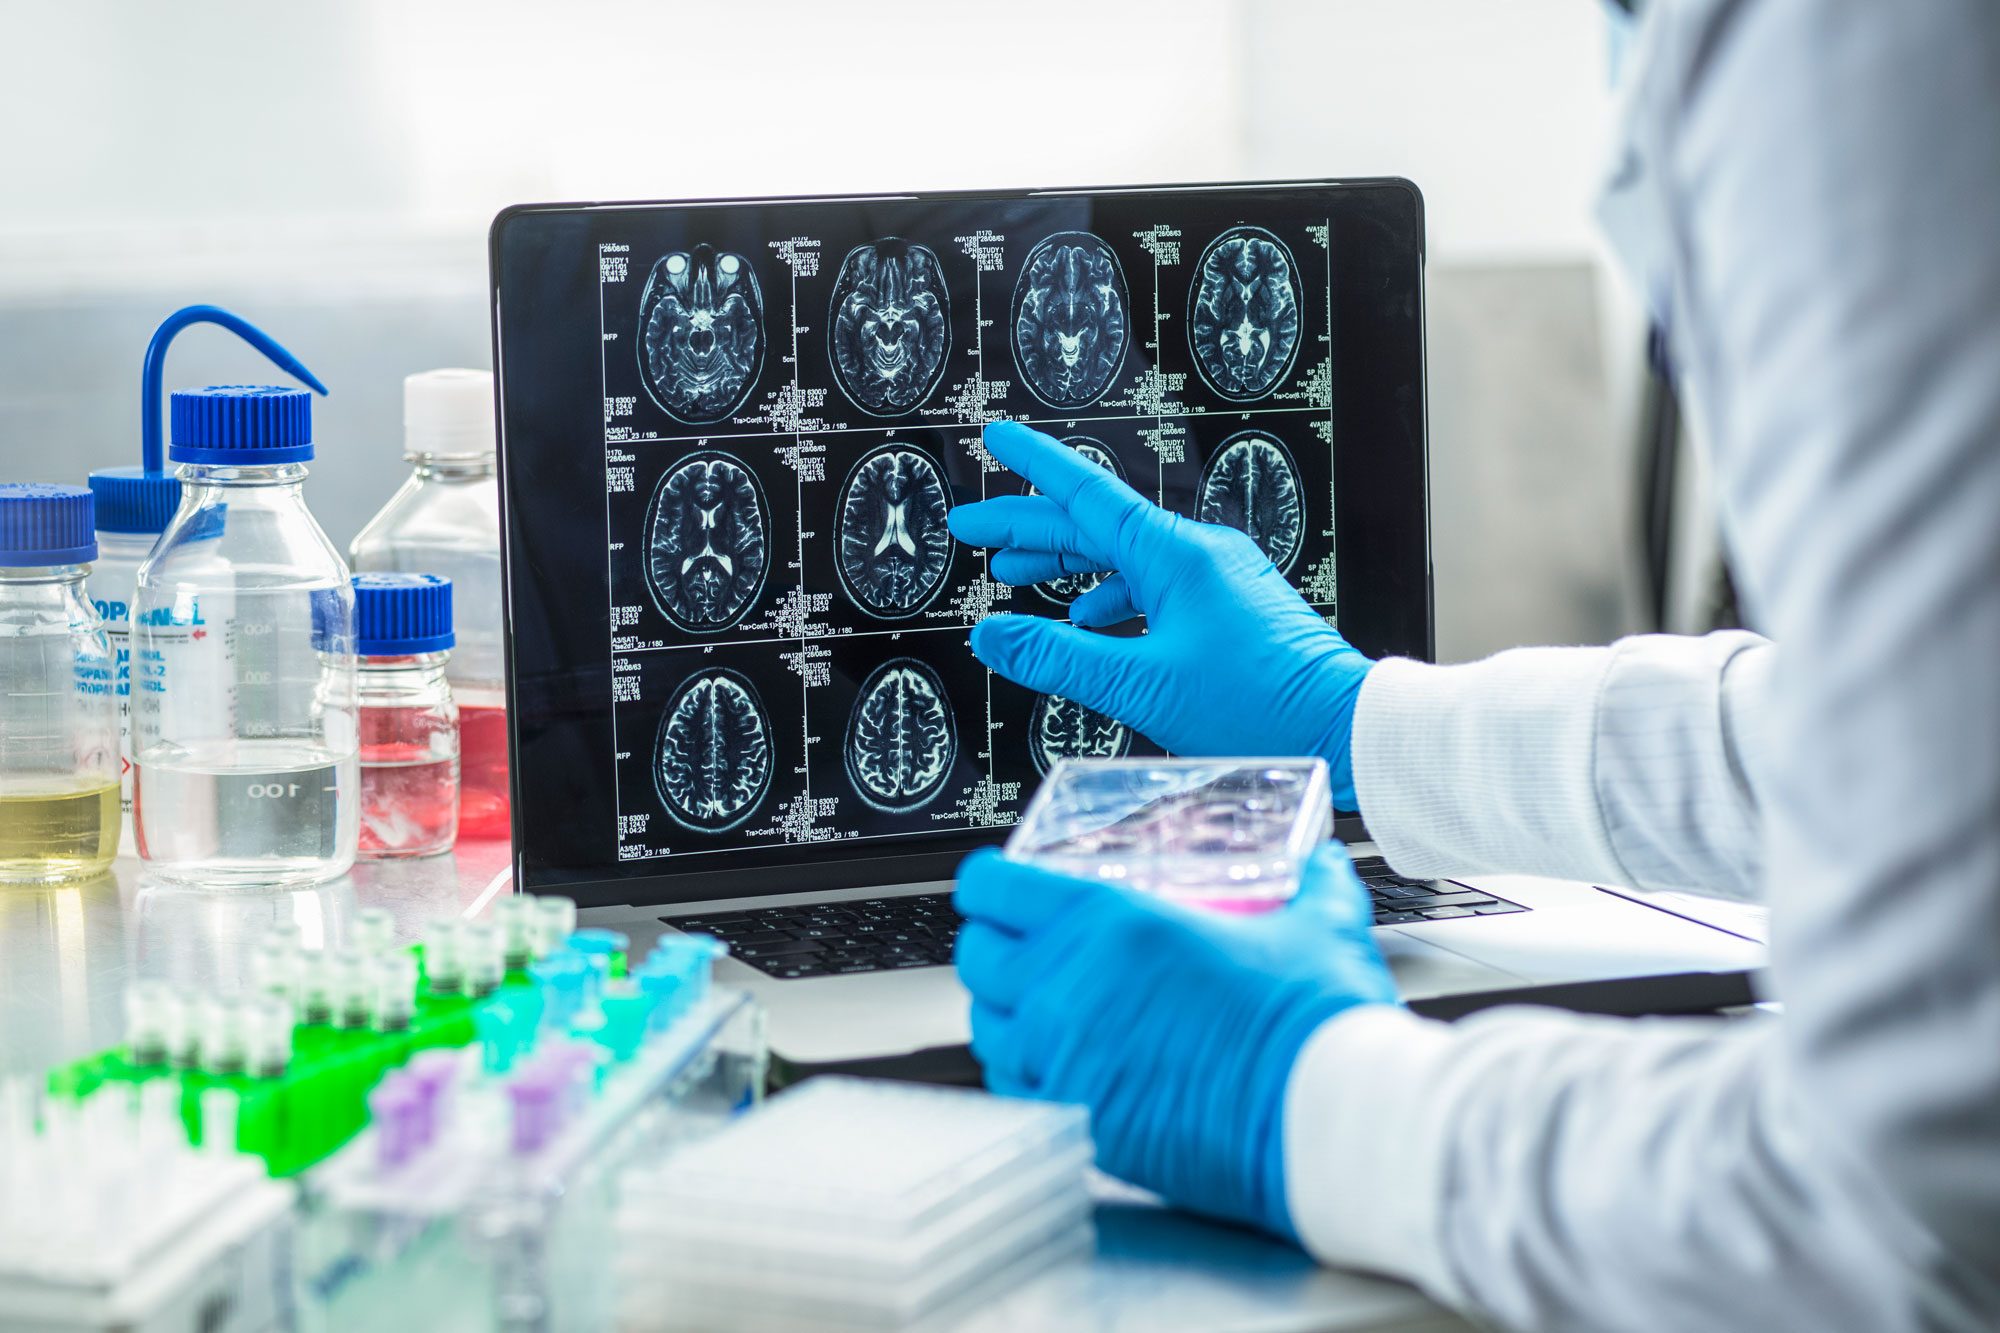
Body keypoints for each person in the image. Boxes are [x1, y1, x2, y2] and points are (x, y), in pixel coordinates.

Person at [944, 2, 2000, 1328]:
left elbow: (1911, 1207)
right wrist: (1360, 723)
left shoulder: (1842, 45)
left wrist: (1311, 1095)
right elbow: (1926, 742)